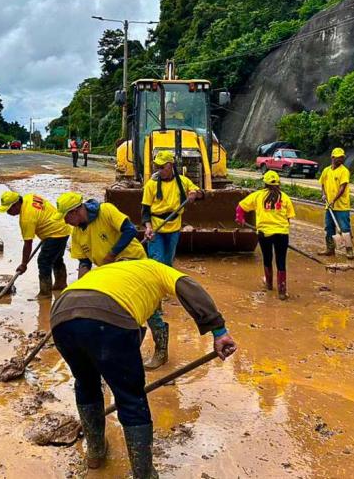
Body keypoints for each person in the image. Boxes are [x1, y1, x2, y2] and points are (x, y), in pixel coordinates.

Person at [49, 259, 237, 477]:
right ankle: (144, 474)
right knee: (130, 398)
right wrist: (219, 330)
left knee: (86, 382)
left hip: (62, 315)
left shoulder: (112, 274)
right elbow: (188, 285)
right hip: (108, 314)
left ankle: (95, 453)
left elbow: (128, 335)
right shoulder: (155, 268)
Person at [141, 150, 203, 369]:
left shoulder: (182, 181)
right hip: (156, 228)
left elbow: (198, 191)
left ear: (171, 166)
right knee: (156, 264)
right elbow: (145, 211)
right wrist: (148, 228)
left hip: (174, 228)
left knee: (167, 264)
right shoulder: (151, 184)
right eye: (156, 167)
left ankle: (161, 292)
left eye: (161, 166)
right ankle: (155, 300)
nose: (158, 170)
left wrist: (194, 193)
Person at [52, 192, 146, 278]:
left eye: (66, 217)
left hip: (134, 262)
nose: (65, 222)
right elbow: (84, 261)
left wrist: (111, 254)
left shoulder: (106, 210)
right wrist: (81, 282)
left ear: (75, 211)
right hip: (110, 270)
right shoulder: (76, 234)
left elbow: (131, 230)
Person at [236, 170, 296, 300]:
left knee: (267, 258)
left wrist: (240, 219)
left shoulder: (258, 195)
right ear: (279, 183)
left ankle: (269, 285)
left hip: (264, 233)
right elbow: (289, 218)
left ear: (265, 183)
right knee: (281, 261)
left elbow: (240, 207)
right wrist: (282, 229)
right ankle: (282, 291)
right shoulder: (285, 197)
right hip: (282, 233)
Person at [0, 191, 71, 296]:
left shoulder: (26, 218)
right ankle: (60, 284)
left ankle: (45, 293)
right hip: (63, 227)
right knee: (56, 258)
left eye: (9, 209)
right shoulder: (29, 197)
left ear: (17, 204)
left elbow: (28, 243)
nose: (8, 212)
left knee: (44, 261)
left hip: (55, 233)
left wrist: (23, 264)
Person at [318, 147, 354, 260]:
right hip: (329, 206)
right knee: (329, 227)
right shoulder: (326, 171)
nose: (340, 160)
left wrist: (333, 200)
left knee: (344, 228)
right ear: (332, 158)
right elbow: (323, 184)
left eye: (342, 158)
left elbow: (342, 188)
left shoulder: (344, 171)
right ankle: (330, 249)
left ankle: (349, 250)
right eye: (338, 158)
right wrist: (323, 194)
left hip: (342, 206)